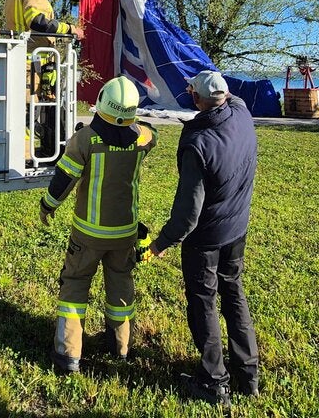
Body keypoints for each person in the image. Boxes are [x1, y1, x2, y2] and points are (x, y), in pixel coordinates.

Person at [145, 70, 260, 405]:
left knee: (203, 303)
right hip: (236, 228)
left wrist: (160, 244)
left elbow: (187, 214)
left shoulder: (198, 144)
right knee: (233, 292)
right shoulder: (241, 112)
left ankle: (214, 381)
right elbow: (229, 97)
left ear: (196, 98)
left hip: (205, 238)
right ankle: (248, 373)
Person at [38, 76, 157, 373]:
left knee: (75, 285)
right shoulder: (142, 139)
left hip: (88, 235)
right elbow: (150, 132)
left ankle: (68, 355)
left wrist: (47, 206)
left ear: (102, 102)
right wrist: (131, 122)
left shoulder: (85, 139)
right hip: (125, 234)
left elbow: (64, 180)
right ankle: (120, 347)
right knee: (120, 286)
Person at [5, 0, 84, 152]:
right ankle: (26, 154)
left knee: (21, 110)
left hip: (21, 59)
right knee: (31, 110)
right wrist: (70, 29)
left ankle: (28, 150)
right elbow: (39, 22)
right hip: (32, 64)